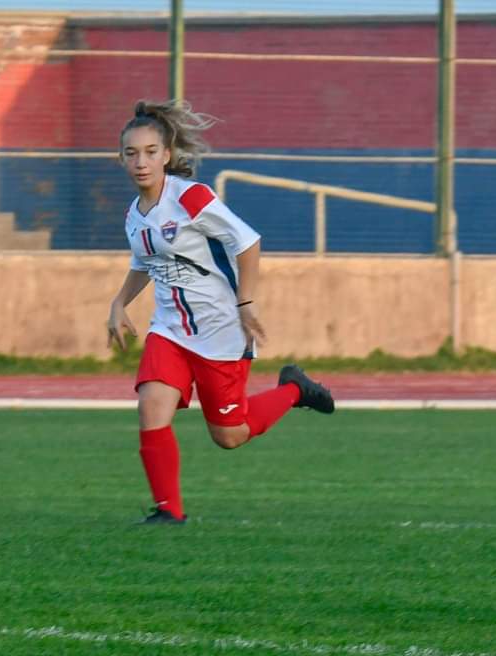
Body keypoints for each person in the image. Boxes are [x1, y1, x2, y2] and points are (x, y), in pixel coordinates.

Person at [107, 99, 335, 524]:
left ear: (167, 155)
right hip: (170, 330)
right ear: (120, 159)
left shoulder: (191, 197)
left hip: (220, 332)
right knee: (151, 406)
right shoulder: (134, 215)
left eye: (151, 152)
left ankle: (295, 390)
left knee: (230, 435)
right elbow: (144, 263)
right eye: (131, 153)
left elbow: (247, 242)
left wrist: (245, 303)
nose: (141, 162)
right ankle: (168, 512)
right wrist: (119, 302)